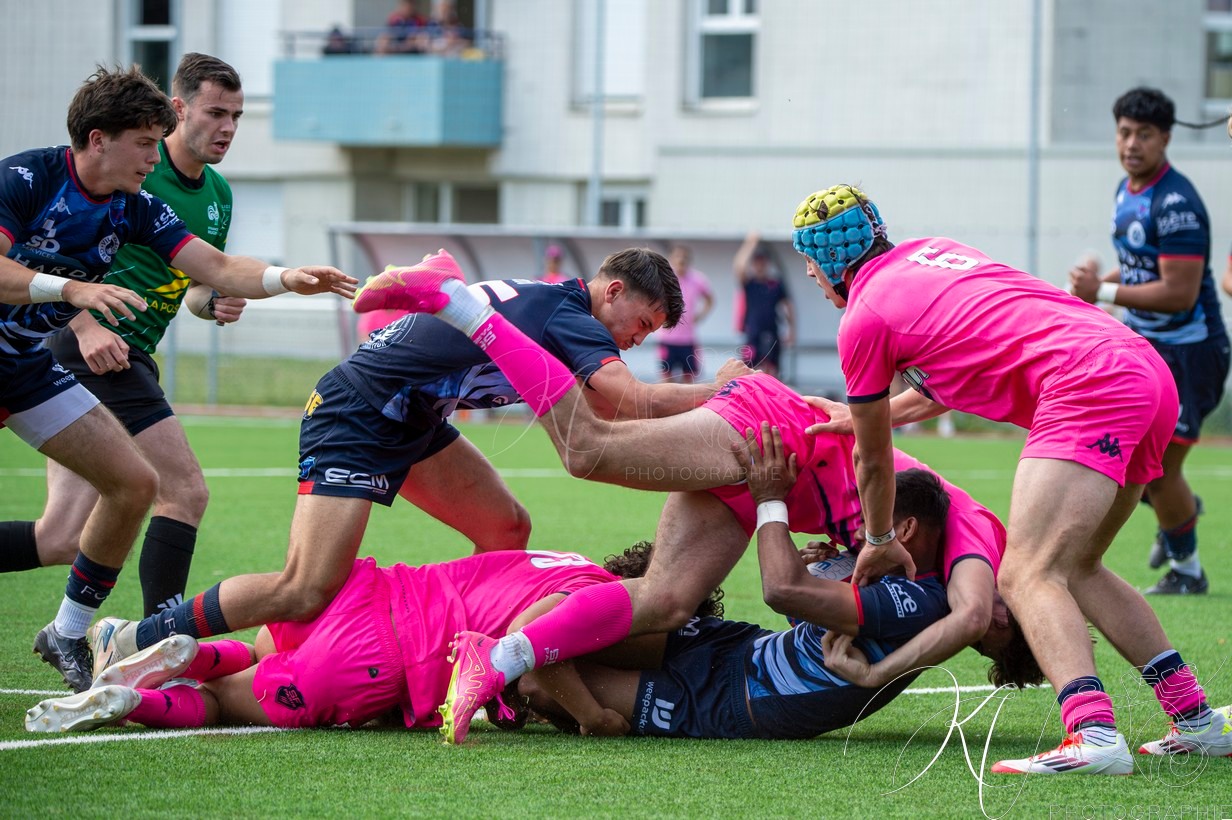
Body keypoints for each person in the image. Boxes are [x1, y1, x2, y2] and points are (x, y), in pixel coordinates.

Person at [278, 254, 1031, 745]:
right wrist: (879, 671)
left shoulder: (948, 567)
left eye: (994, 639)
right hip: (769, 440)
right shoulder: (981, 549)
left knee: (666, 601)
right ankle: (458, 303)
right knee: (589, 449)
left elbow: (878, 564)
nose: (987, 625)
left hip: (767, 478)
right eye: (1007, 625)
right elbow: (969, 613)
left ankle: (496, 657)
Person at [91, 248, 737, 684]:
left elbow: (608, 413)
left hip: (412, 417)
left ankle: (469, 661)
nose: (638, 339)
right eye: (641, 324)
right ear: (613, 291)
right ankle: (130, 637)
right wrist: (732, 391)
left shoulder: (558, 307)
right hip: (359, 409)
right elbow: (628, 400)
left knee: (506, 527)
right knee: (306, 587)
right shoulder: (570, 316)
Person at [788, 183, 1230, 773]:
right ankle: (1196, 719)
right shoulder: (933, 252)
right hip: (1142, 368)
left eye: (810, 262)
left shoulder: (862, 317)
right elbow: (945, 383)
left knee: (1024, 572)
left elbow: (873, 460)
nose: (811, 276)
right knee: (1080, 568)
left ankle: (1093, 735)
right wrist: (865, 416)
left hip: (1088, 382)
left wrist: (878, 539)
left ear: (830, 260)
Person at [0, 65, 356, 693]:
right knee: (151, 499)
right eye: (143, 143)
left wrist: (285, 278)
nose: (152, 156)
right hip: (70, 352)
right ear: (98, 139)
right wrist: (75, 295)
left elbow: (214, 267)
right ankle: (154, 638)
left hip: (27, 366)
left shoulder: (138, 206)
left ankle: (67, 632)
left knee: (132, 487)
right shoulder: (26, 178)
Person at [518, 439, 1040, 740]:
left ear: (904, 530)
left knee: (541, 682)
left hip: (726, 700)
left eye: (873, 522)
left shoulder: (924, 602)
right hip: (738, 648)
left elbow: (782, 591)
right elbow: (802, 614)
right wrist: (834, 565)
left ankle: (506, 675)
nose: (861, 529)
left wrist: (770, 499)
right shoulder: (910, 580)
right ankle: (506, 662)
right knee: (577, 630)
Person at [1, 55, 248, 624]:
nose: (228, 127)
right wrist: (81, 314)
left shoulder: (202, 196)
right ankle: (161, 634)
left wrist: (244, 291)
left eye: (237, 116)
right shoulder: (73, 175)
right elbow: (59, 269)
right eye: (216, 112)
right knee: (183, 489)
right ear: (180, 110)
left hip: (50, 359)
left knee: (65, 535)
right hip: (97, 350)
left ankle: (69, 633)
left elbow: (203, 278)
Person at [25, 547, 641, 734]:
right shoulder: (603, 597)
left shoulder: (564, 558)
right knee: (218, 704)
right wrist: (594, 716)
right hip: (379, 657)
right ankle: (135, 701)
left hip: (362, 591)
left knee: (263, 650)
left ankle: (195, 651)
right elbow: (532, 660)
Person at [1069, 88, 1229, 595]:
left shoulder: (1177, 203)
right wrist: (1099, 286)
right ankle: (1176, 510)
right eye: (1124, 132)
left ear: (1166, 139)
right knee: (1122, 457)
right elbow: (1141, 267)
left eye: (1144, 134)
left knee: (1157, 471)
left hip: (1190, 355)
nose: (1131, 144)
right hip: (1146, 348)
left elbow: (1179, 293)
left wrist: (1102, 292)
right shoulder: (1127, 189)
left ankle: (1189, 571)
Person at [733, 231, 794, 379]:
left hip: (772, 331)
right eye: (757, 262)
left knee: (772, 369)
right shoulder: (750, 283)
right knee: (748, 368)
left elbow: (788, 306)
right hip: (752, 332)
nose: (760, 265)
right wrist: (750, 243)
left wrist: (791, 330)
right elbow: (739, 268)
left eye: (762, 262)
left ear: (767, 263)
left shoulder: (775, 284)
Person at [655, 244, 713, 383]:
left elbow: (709, 299)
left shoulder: (697, 279)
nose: (681, 259)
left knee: (689, 379)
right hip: (667, 338)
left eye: (684, 257)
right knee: (666, 379)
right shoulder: (665, 278)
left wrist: (700, 316)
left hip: (688, 339)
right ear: (671, 259)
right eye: (677, 256)